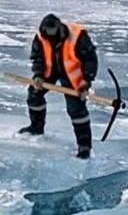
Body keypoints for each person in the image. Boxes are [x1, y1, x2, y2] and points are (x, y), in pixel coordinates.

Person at [21, 14, 99, 159]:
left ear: (58, 27)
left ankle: (84, 146)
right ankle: (36, 127)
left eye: (53, 31)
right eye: (48, 31)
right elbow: (37, 57)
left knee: (76, 109)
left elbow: (90, 58)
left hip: (73, 74)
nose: (50, 34)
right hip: (49, 71)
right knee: (34, 94)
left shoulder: (77, 35)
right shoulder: (40, 37)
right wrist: (38, 75)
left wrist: (86, 81)